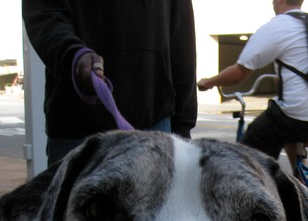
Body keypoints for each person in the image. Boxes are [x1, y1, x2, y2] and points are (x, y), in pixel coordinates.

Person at [23, 0, 198, 165]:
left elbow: (182, 41)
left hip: (156, 128)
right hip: (78, 133)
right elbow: (44, 15)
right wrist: (72, 55)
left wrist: (183, 129)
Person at [197, 0, 308, 168]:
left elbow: (238, 74)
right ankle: (301, 184)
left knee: (251, 155)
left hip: (300, 114)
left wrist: (208, 82)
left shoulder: (279, 26)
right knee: (287, 127)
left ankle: (261, 189)